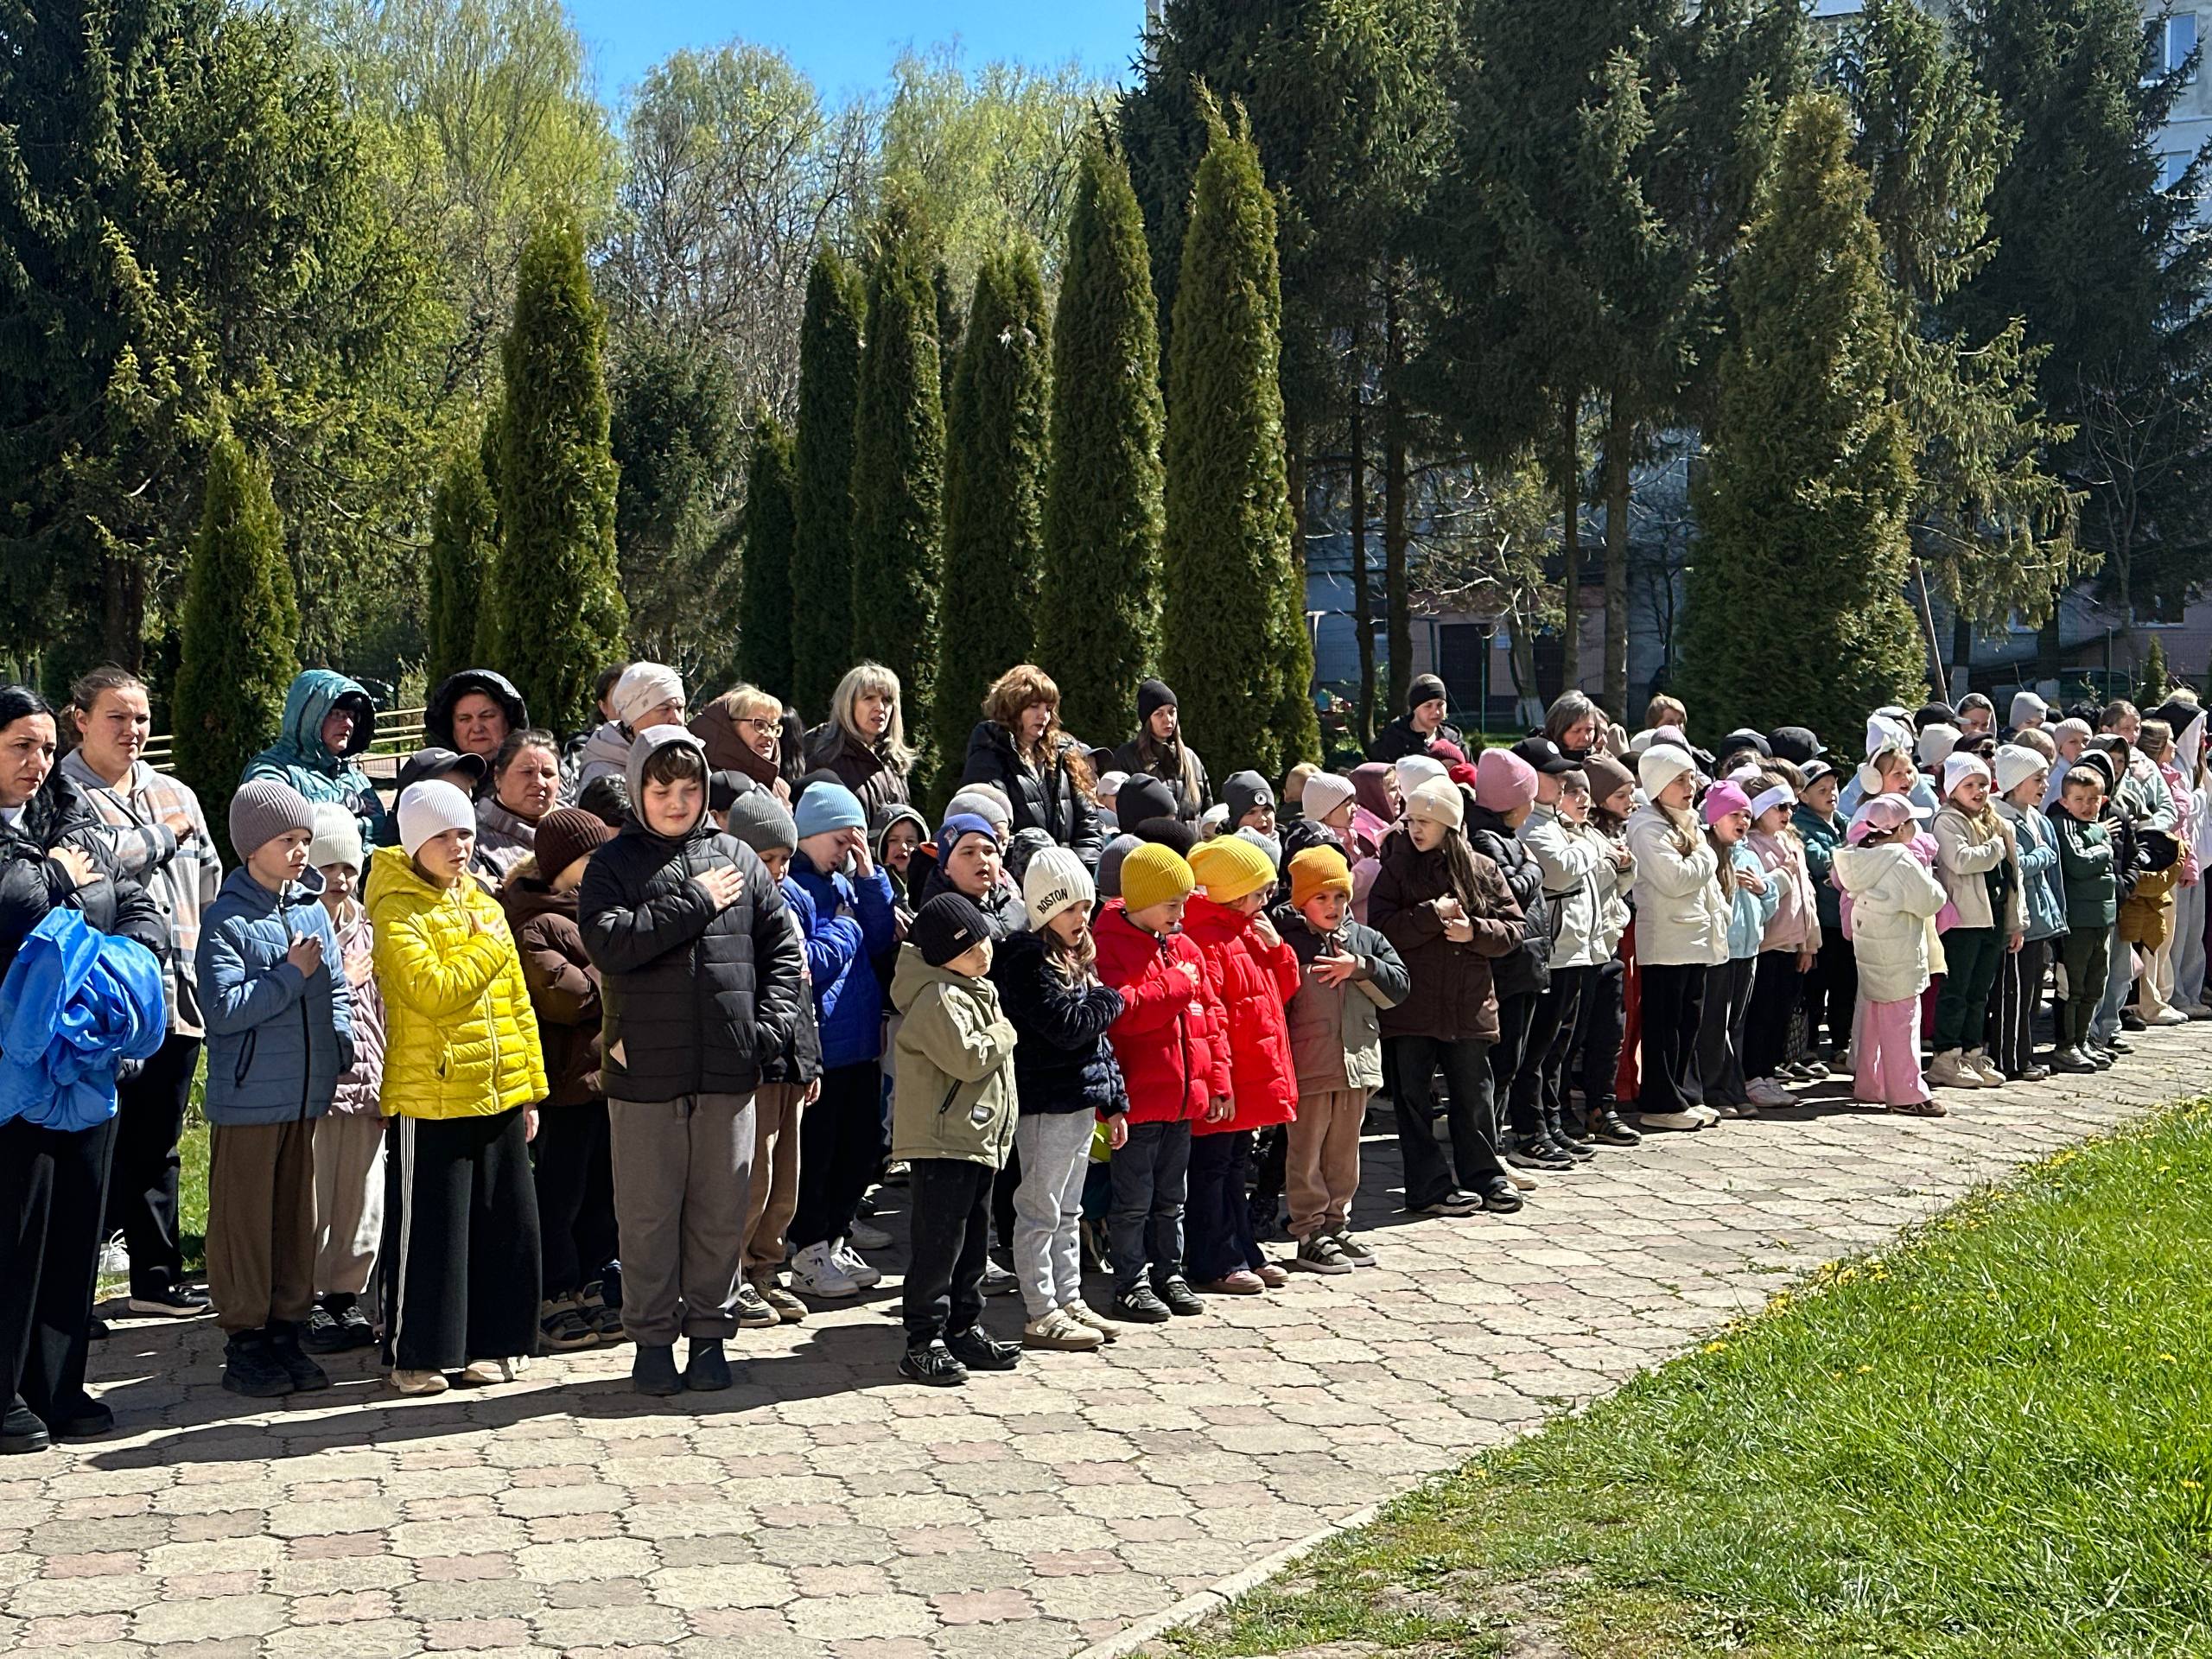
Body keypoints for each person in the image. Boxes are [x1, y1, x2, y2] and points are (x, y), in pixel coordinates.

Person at [577, 728, 805, 1396]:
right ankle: (651, 1341)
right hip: (644, 1075)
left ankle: (710, 1336)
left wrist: (767, 1032)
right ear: (638, 790)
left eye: (689, 788)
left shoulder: (737, 857)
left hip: (729, 1075)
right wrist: (698, 900)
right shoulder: (612, 865)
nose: (677, 802)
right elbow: (610, 945)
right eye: (661, 789)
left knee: (720, 1213)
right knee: (647, 1217)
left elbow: (782, 951)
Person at [0, 685, 167, 1454]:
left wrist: (134, 954)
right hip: (14, 1072)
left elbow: (132, 898)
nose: (38, 763)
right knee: (14, 1232)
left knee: (73, 1229)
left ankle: (57, 1385)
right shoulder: (45, 849)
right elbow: (12, 901)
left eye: (43, 748)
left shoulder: (67, 820)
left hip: (86, 1062)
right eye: (19, 747)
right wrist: (62, 880)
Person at [372, 781, 548, 1395]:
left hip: (498, 1090)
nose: (459, 847)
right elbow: (434, 991)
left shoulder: (484, 904)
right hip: (432, 1094)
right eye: (442, 836)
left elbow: (516, 1005)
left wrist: (529, 1088)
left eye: (466, 834)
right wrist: (488, 944)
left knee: (504, 1221)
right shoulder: (395, 909)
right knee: (434, 1229)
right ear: (414, 843)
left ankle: (496, 1343)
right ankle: (416, 1353)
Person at [60, 664, 222, 1318]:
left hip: (174, 997)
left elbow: (208, 882)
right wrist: (159, 838)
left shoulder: (176, 793)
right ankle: (70, 1300)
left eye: (142, 718)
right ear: (81, 720)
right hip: (98, 1005)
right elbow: (95, 864)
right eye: (117, 717)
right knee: (88, 1148)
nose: (133, 730)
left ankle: (156, 1282)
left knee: (159, 1144)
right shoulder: (60, 793)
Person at [197, 779, 353, 1398]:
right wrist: (290, 974)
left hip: (304, 1092)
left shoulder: (312, 909)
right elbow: (224, 1010)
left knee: (294, 1216)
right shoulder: (227, 919)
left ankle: (288, 1328)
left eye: (305, 839)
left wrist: (340, 1040)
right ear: (250, 846)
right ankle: (246, 1339)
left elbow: (335, 985)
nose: (299, 851)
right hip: (250, 1097)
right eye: (286, 839)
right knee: (245, 1222)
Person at [989, 849, 1128, 1351]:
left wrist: (1114, 1101)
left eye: (1086, 907)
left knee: (1070, 1209)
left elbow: (1098, 1043)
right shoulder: (1026, 961)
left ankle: (1069, 1297)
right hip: (1045, 1105)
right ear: (1045, 908)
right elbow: (1069, 1027)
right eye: (1070, 908)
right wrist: (1111, 998)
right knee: (1040, 1208)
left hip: (1080, 1102)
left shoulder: (1077, 958)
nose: (1081, 918)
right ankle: (1041, 1309)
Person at [1369, 777, 1524, 1216]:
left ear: (1449, 824)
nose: (1415, 829)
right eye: (1411, 820)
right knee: (1414, 1101)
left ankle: (1486, 1177)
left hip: (1468, 1005)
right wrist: (1429, 915)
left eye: (1426, 821)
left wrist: (1475, 931)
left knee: (1474, 1096)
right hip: (1412, 1007)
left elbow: (1515, 930)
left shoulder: (1482, 869)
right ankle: (1429, 1187)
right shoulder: (1397, 868)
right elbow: (1381, 928)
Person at [886, 893, 1023, 1385]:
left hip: (975, 1138)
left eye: (984, 941)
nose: (983, 953)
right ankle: (923, 1341)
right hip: (943, 1141)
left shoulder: (973, 987)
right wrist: (1006, 1032)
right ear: (943, 957)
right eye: (969, 950)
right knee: (939, 1244)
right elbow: (969, 1058)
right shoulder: (937, 995)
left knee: (971, 1243)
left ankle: (964, 1327)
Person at [1095, 843, 1230, 1322]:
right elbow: (1123, 1012)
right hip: (1139, 1101)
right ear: (1140, 900)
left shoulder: (1184, 947)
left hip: (1182, 1099)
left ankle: (1168, 1274)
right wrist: (1176, 984)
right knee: (1133, 1201)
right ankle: (1130, 1282)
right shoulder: (1109, 945)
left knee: (1173, 1198)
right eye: (1172, 904)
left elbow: (1210, 1019)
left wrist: (1218, 1081)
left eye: (1184, 903)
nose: (1181, 914)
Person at [499, 808, 618, 1352]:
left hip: (606, 1078)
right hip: (564, 1083)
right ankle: (553, 1293)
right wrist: (615, 973)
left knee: (600, 1191)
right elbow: (567, 999)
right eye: (591, 855)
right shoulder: (533, 920)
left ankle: (593, 1282)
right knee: (560, 1193)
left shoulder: (599, 909)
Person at [780, 782, 899, 1300]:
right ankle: (807, 1249)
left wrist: (870, 877)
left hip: (861, 1044)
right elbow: (807, 962)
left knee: (860, 1149)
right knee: (820, 1155)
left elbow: (878, 935)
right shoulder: (793, 889)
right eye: (841, 839)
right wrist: (846, 930)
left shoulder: (846, 885)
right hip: (826, 1048)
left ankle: (835, 1237)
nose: (846, 850)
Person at [1274, 846, 1408, 1273]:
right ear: (1301, 901)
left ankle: (1336, 1222)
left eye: (1340, 896)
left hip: (1357, 1064)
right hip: (1310, 1064)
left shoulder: (1366, 939)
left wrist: (1361, 967)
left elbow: (1399, 988)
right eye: (1321, 897)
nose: (1333, 906)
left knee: (1345, 1152)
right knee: (1307, 1151)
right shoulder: (1287, 942)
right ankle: (1308, 1230)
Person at [720, 793, 823, 1328]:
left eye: (784, 859)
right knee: (752, 1174)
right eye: (767, 859)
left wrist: (811, 1060)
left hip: (793, 1061)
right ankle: (733, 1272)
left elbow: (803, 992)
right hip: (756, 1064)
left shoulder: (789, 907)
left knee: (787, 1177)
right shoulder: (733, 913)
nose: (778, 869)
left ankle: (766, 1265)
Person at [1181, 836, 1300, 1296]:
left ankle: (1243, 1248)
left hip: (1248, 1073)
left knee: (1233, 1165)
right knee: (1211, 1169)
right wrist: (1219, 1081)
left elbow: (1280, 992)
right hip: (1227, 1075)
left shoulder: (1247, 930)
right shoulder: (1207, 938)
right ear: (1231, 893)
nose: (1267, 899)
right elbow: (1211, 1017)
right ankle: (1214, 1258)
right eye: (1259, 891)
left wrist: (1277, 948)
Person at [300, 804, 386, 1357]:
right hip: (317, 1086)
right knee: (314, 1194)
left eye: (349, 868)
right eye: (327, 867)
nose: (339, 879)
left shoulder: (371, 929)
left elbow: (386, 1009)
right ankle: (306, 1294)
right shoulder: (298, 927)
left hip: (367, 1082)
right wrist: (342, 979)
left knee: (362, 1196)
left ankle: (345, 1293)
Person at [1517, 764, 1627, 1154]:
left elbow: (1611, 880)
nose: (1581, 799)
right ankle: (1537, 1125)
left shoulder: (1578, 831)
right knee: (1542, 1048)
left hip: (1585, 947)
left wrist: (1616, 863)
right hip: (1557, 950)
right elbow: (1561, 872)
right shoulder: (1540, 827)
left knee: (1564, 1043)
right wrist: (1594, 850)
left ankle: (1553, 1121)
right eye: (1570, 790)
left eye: (1584, 792)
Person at [1626, 744, 1730, 1132]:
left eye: (1691, 779)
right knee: (1664, 1024)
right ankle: (1660, 1100)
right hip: (1667, 940)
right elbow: (1675, 879)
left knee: (1689, 1020)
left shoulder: (1687, 823)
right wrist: (1706, 855)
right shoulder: (1647, 827)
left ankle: (1686, 1094)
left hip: (1694, 937)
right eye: (1679, 780)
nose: (1690, 788)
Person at [1462, 747, 1554, 1167]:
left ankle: (1498, 1142)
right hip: (1509, 964)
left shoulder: (1508, 837)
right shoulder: (1485, 838)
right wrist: (1536, 870)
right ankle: (1490, 1149)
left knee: (1514, 1060)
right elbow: (1506, 892)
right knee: (1500, 1064)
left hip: (1526, 959)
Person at [1834, 797, 1949, 1114]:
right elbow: (1930, 900)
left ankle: (1871, 1084)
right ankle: (1907, 1094)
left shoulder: (1859, 858)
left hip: (1871, 947)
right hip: (1898, 950)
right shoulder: (1900, 860)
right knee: (1903, 1021)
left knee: (1874, 1018)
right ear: (1898, 829)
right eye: (1911, 823)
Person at [1928, 753, 2021, 1091]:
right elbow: (1961, 860)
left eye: (1982, 784)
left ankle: (1972, 1052)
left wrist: (2016, 921)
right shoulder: (1947, 821)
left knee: (1980, 993)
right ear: (1953, 789)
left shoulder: (1998, 822)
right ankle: (1946, 1056)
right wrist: (1995, 848)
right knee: (1957, 990)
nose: (1978, 791)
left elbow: (2014, 875)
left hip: (1993, 919)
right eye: (1969, 785)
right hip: (1963, 922)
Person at [959, 666, 1105, 863]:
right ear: (1011, 707)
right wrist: (1038, 866)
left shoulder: (1064, 753)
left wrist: (1081, 870)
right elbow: (990, 830)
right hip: (1019, 877)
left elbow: (1088, 824)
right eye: (1034, 706)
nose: (1043, 715)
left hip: (1072, 875)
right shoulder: (989, 755)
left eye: (1048, 708)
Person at [1697, 782, 1777, 1120]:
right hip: (1719, 952)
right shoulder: (1707, 853)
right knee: (1714, 1026)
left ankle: (1732, 1087)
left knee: (1735, 1026)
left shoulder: (1749, 855)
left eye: (1746, 815)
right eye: (1734, 815)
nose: (1743, 821)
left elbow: (1769, 906)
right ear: (1715, 819)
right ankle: (1717, 1091)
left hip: (1748, 951)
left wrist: (1763, 889)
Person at [242, 668, 386, 850]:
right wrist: (339, 800)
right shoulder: (273, 769)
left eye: (351, 716)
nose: (348, 724)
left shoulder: (353, 776)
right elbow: (268, 817)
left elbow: (383, 830)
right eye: (337, 714)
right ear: (311, 716)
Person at [1741, 779, 1820, 1107]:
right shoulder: (1752, 845)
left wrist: (1809, 944)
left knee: (1781, 1014)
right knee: (1760, 1013)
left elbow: (1807, 897)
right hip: (1767, 944)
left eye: (1791, 807)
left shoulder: (1791, 842)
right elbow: (1763, 890)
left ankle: (1768, 1072)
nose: (1788, 813)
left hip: (1792, 944)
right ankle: (1752, 1075)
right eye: (1780, 807)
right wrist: (1782, 873)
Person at [1993, 745, 2063, 1081]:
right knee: (2014, 994)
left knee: (2032, 994)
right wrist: (2044, 855)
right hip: (2018, 919)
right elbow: (2016, 864)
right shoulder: (2002, 819)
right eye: (2038, 779)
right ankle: (2010, 1058)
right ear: (2015, 782)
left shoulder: (2036, 818)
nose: (2045, 785)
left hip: (2040, 918)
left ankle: (2025, 1053)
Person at [2050, 756, 2120, 1073]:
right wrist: (2104, 847)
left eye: (2093, 799)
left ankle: (2083, 1039)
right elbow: (2078, 863)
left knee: (2095, 984)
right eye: (2079, 799)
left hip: (2102, 918)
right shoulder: (2064, 824)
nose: (2087, 806)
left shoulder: (2095, 827)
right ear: (2065, 801)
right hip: (2077, 920)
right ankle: (2066, 1045)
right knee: (2072, 985)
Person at [1793, 762, 1853, 1065]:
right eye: (1822, 790)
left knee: (1846, 986)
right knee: (1815, 989)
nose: (1831, 794)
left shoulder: (1844, 822)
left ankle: (1842, 1043)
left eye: (1834, 788)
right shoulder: (1800, 825)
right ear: (1803, 796)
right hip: (1821, 923)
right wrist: (1851, 855)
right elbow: (1818, 861)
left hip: (1847, 922)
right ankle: (1809, 1047)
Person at [807, 662, 916, 819]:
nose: (880, 707)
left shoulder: (892, 761)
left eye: (887, 700)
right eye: (869, 698)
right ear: (848, 704)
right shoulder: (825, 760)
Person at [572, 662, 687, 795]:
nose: (676, 719)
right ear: (635, 717)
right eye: (664, 709)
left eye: (679, 708)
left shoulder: (689, 756)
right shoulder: (603, 776)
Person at [1110, 679, 1211, 821]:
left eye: (1172, 712)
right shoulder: (1127, 757)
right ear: (1147, 719)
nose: (1168, 719)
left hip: (1192, 836)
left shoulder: (1191, 758)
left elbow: (1207, 813)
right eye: (1159, 714)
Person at [475, 728, 563, 881]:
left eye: (548, 774)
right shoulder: (473, 841)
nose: (539, 782)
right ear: (498, 777)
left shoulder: (581, 829)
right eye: (527, 772)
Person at [690, 684, 794, 804]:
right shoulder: (704, 782)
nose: (770, 735)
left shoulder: (781, 788)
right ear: (730, 729)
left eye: (773, 727)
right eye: (759, 725)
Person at [425, 671, 530, 778]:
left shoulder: (533, 775)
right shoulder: (434, 781)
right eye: (465, 719)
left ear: (508, 722)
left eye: (487, 716)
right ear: (451, 728)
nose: (477, 728)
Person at [1368, 673, 1464, 765]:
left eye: (1440, 704)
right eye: (1428, 706)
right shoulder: (1394, 737)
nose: (1436, 712)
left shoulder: (1453, 738)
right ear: (1414, 708)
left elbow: (1469, 771)